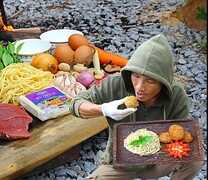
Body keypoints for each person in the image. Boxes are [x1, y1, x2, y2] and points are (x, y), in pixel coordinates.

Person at [69, 34, 203, 180]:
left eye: (150, 81)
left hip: (158, 161)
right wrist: (103, 109)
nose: (139, 87)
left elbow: (182, 135)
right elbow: (76, 103)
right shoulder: (116, 83)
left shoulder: (177, 95)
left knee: (194, 160)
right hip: (121, 164)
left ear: (163, 83)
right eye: (136, 76)